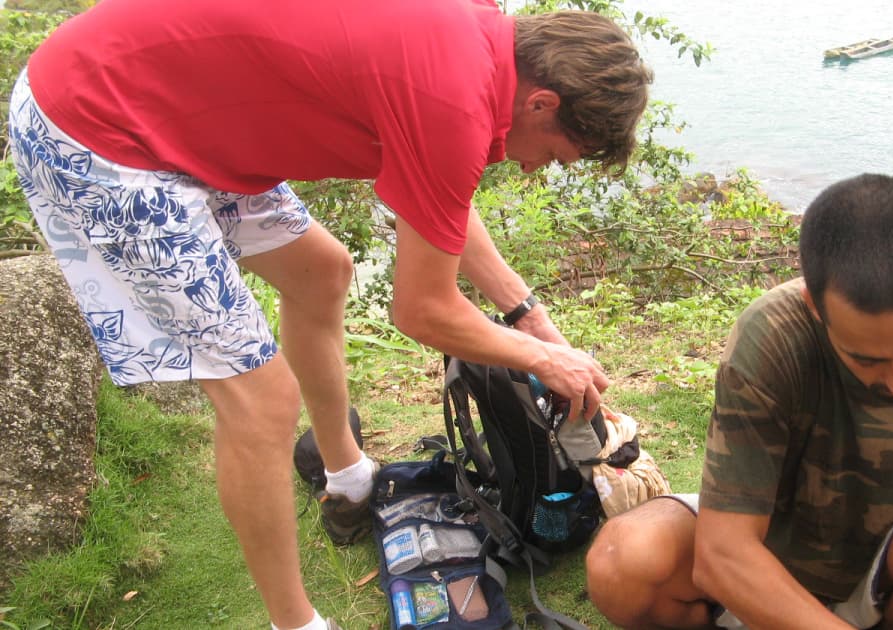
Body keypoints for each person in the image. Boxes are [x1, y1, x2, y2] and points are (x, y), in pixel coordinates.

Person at [7, 0, 651, 628]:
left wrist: (526, 315)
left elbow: (438, 193)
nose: (535, 166)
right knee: (260, 399)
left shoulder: (484, 43)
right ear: (542, 102)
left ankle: (348, 478)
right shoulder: (453, 97)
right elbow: (423, 311)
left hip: (179, 111)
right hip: (97, 131)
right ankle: (295, 621)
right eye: (553, 153)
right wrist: (543, 357)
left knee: (322, 272)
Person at [586, 173, 893, 629]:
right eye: (867, 360)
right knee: (621, 561)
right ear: (814, 307)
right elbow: (723, 554)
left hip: (885, 566)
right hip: (762, 559)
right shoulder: (774, 338)